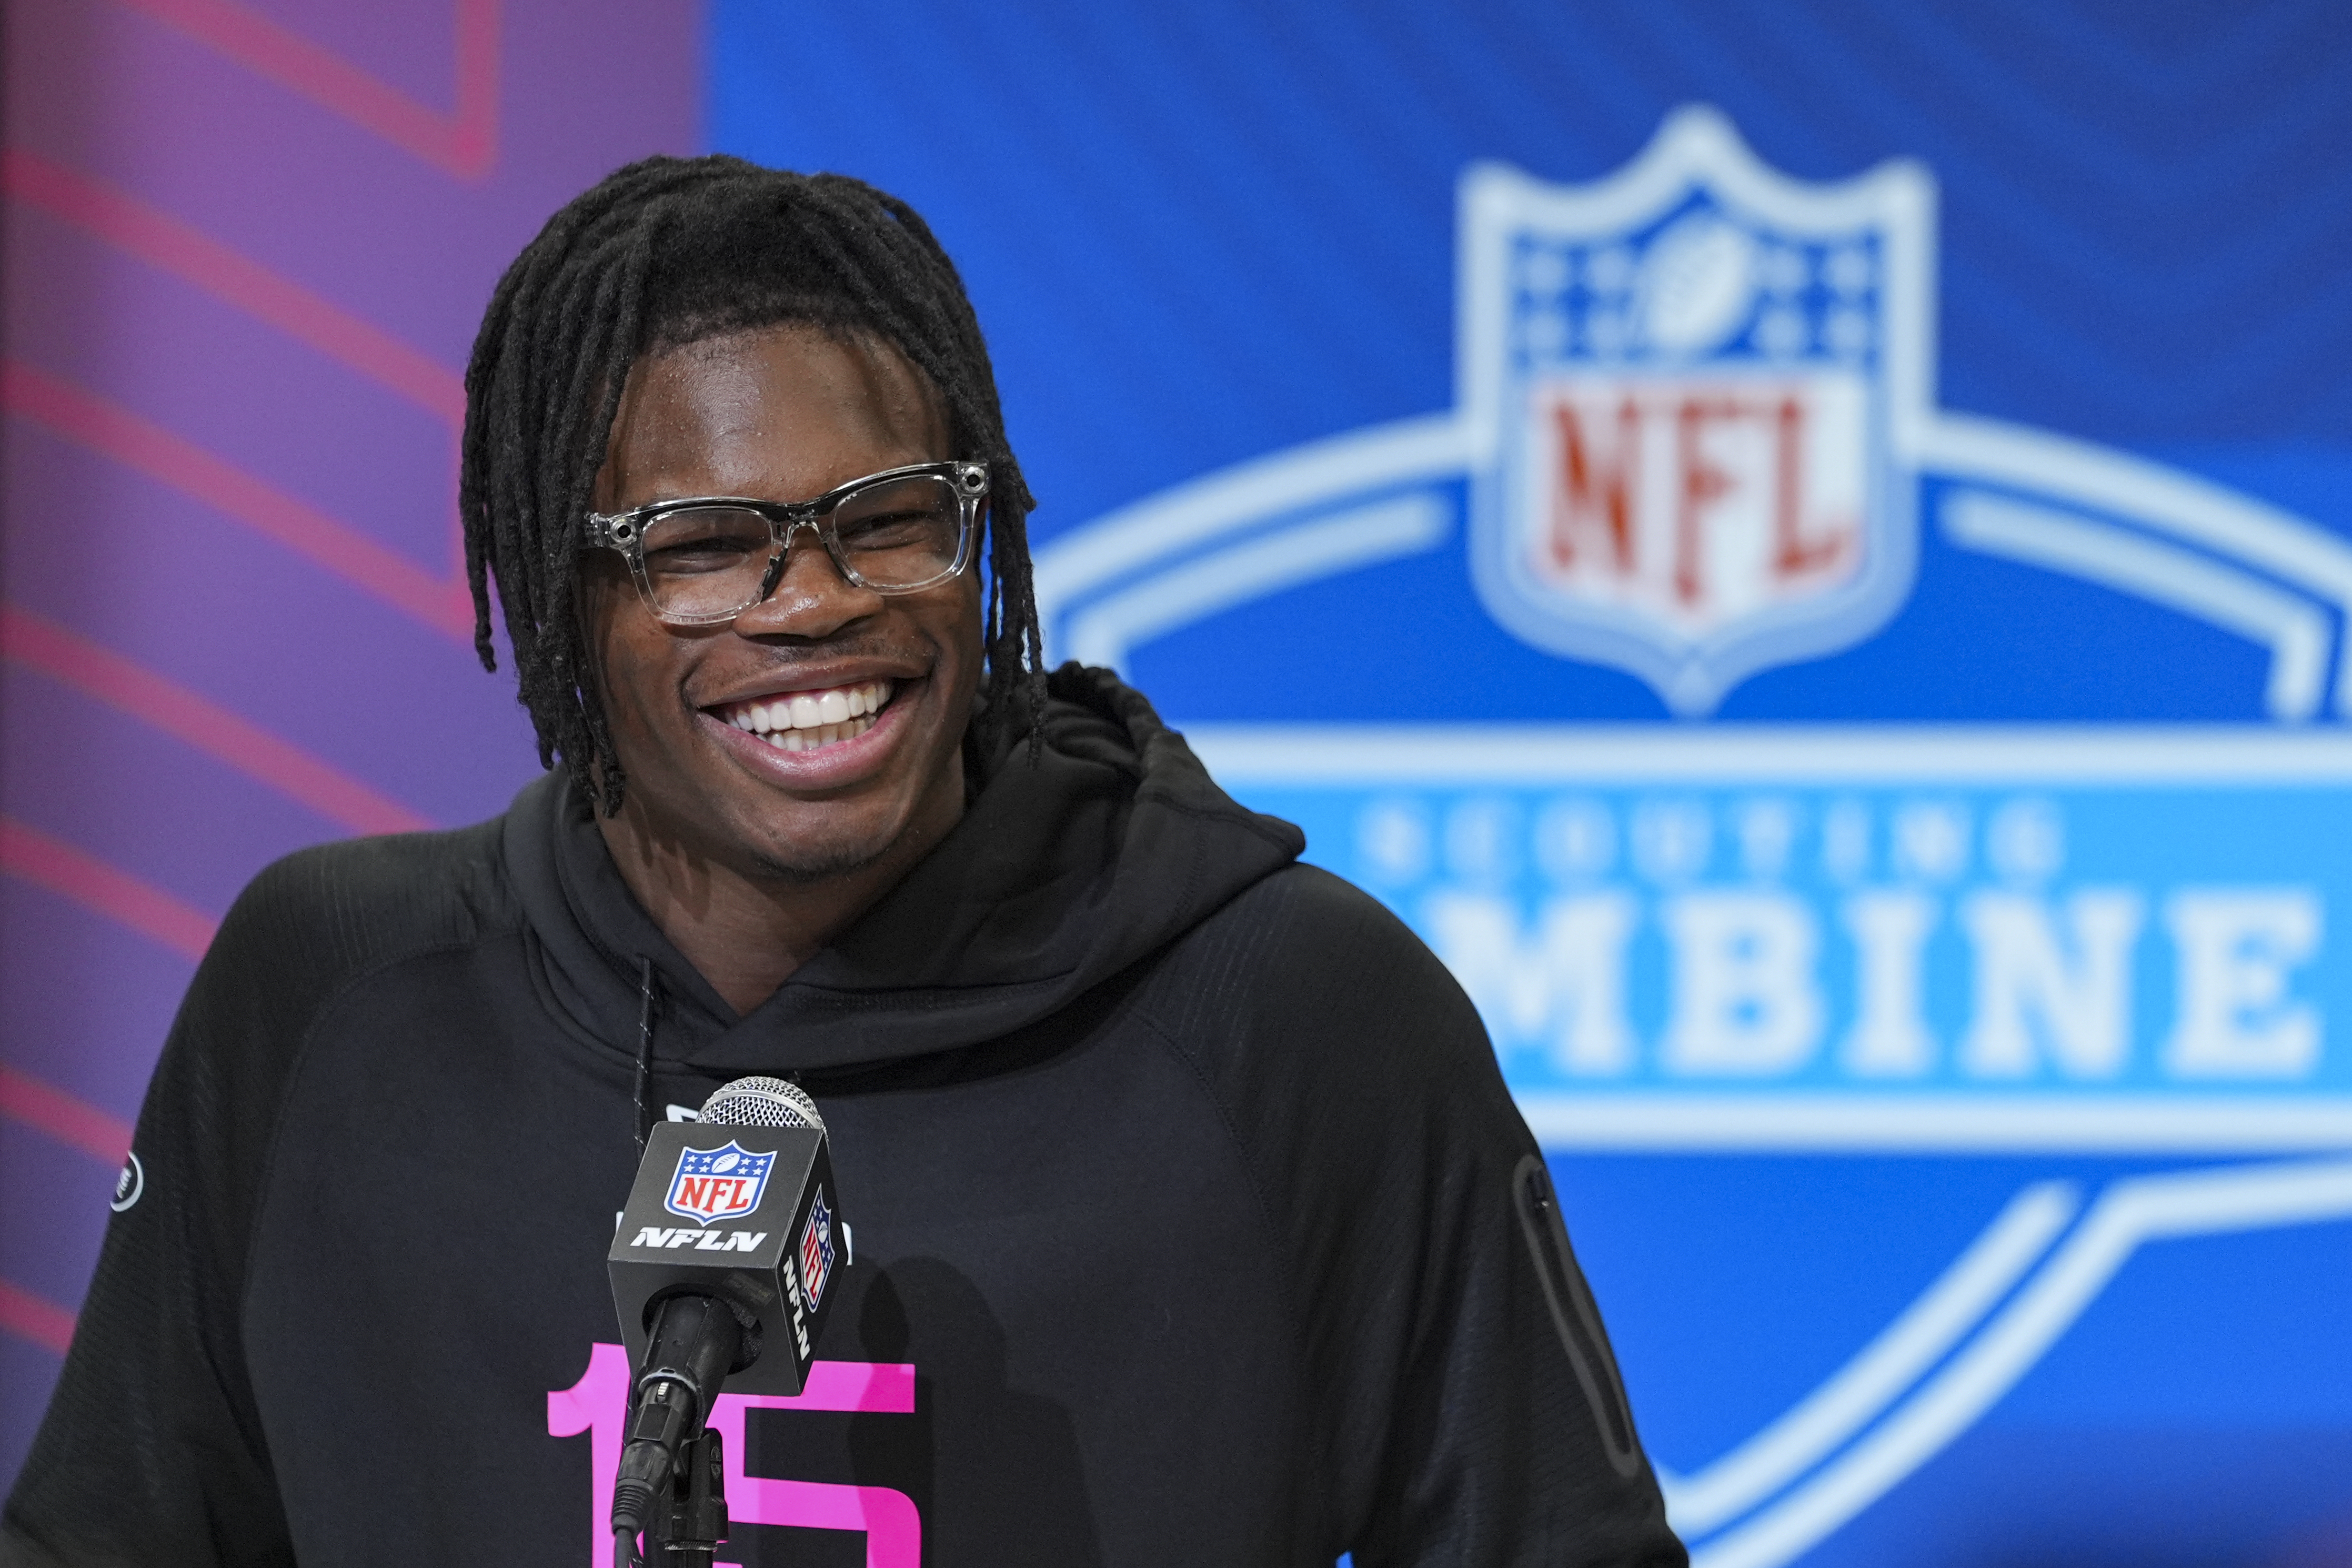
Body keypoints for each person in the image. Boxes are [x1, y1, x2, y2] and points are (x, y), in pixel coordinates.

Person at [2, 156, 1685, 1567]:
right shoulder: (329, 1002)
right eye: (706, 547)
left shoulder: (1297, 1014)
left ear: (985, 534)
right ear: (562, 600)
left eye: (887, 517)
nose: (814, 602)